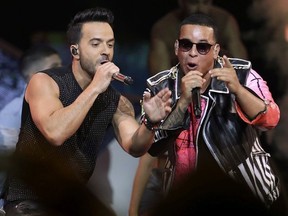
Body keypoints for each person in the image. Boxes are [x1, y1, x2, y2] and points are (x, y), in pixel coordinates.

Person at [1, 7, 172, 216]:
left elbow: (134, 146)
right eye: (96, 43)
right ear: (75, 51)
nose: (105, 51)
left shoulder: (115, 100)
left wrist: (150, 123)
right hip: (29, 203)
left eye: (110, 44)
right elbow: (55, 133)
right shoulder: (45, 82)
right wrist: (95, 88)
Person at [131, 13, 285, 216]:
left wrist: (238, 90)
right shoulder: (160, 87)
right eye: (186, 45)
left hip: (248, 195)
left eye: (202, 47)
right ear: (176, 47)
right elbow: (152, 147)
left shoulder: (242, 75)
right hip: (187, 197)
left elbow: (271, 119)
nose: (193, 53)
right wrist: (183, 101)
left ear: (216, 50)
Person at [0, 44, 62, 213]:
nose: (62, 73)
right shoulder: (17, 112)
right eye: (54, 68)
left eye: (61, 66)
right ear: (32, 77)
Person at [148, 0, 248, 76]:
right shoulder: (163, 28)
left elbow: (241, 67)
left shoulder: (225, 21)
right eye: (194, 2)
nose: (200, 8)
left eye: (205, 2)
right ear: (181, 2)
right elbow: (160, 75)